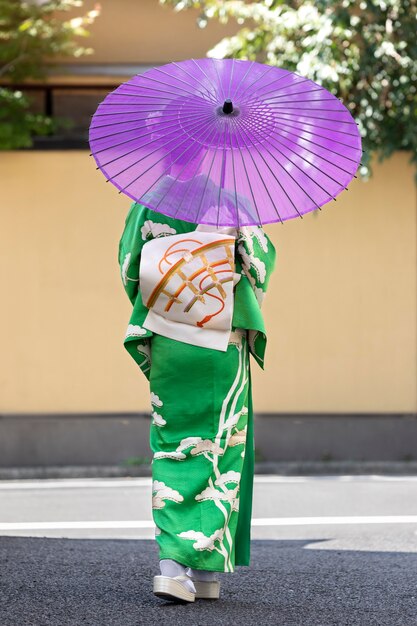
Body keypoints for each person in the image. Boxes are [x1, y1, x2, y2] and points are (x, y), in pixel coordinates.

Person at [118, 201, 276, 602]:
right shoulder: (235, 199)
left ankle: (173, 570)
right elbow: (260, 268)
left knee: (173, 446)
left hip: (171, 336)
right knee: (223, 444)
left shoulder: (151, 201)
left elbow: (129, 267)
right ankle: (205, 573)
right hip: (223, 338)